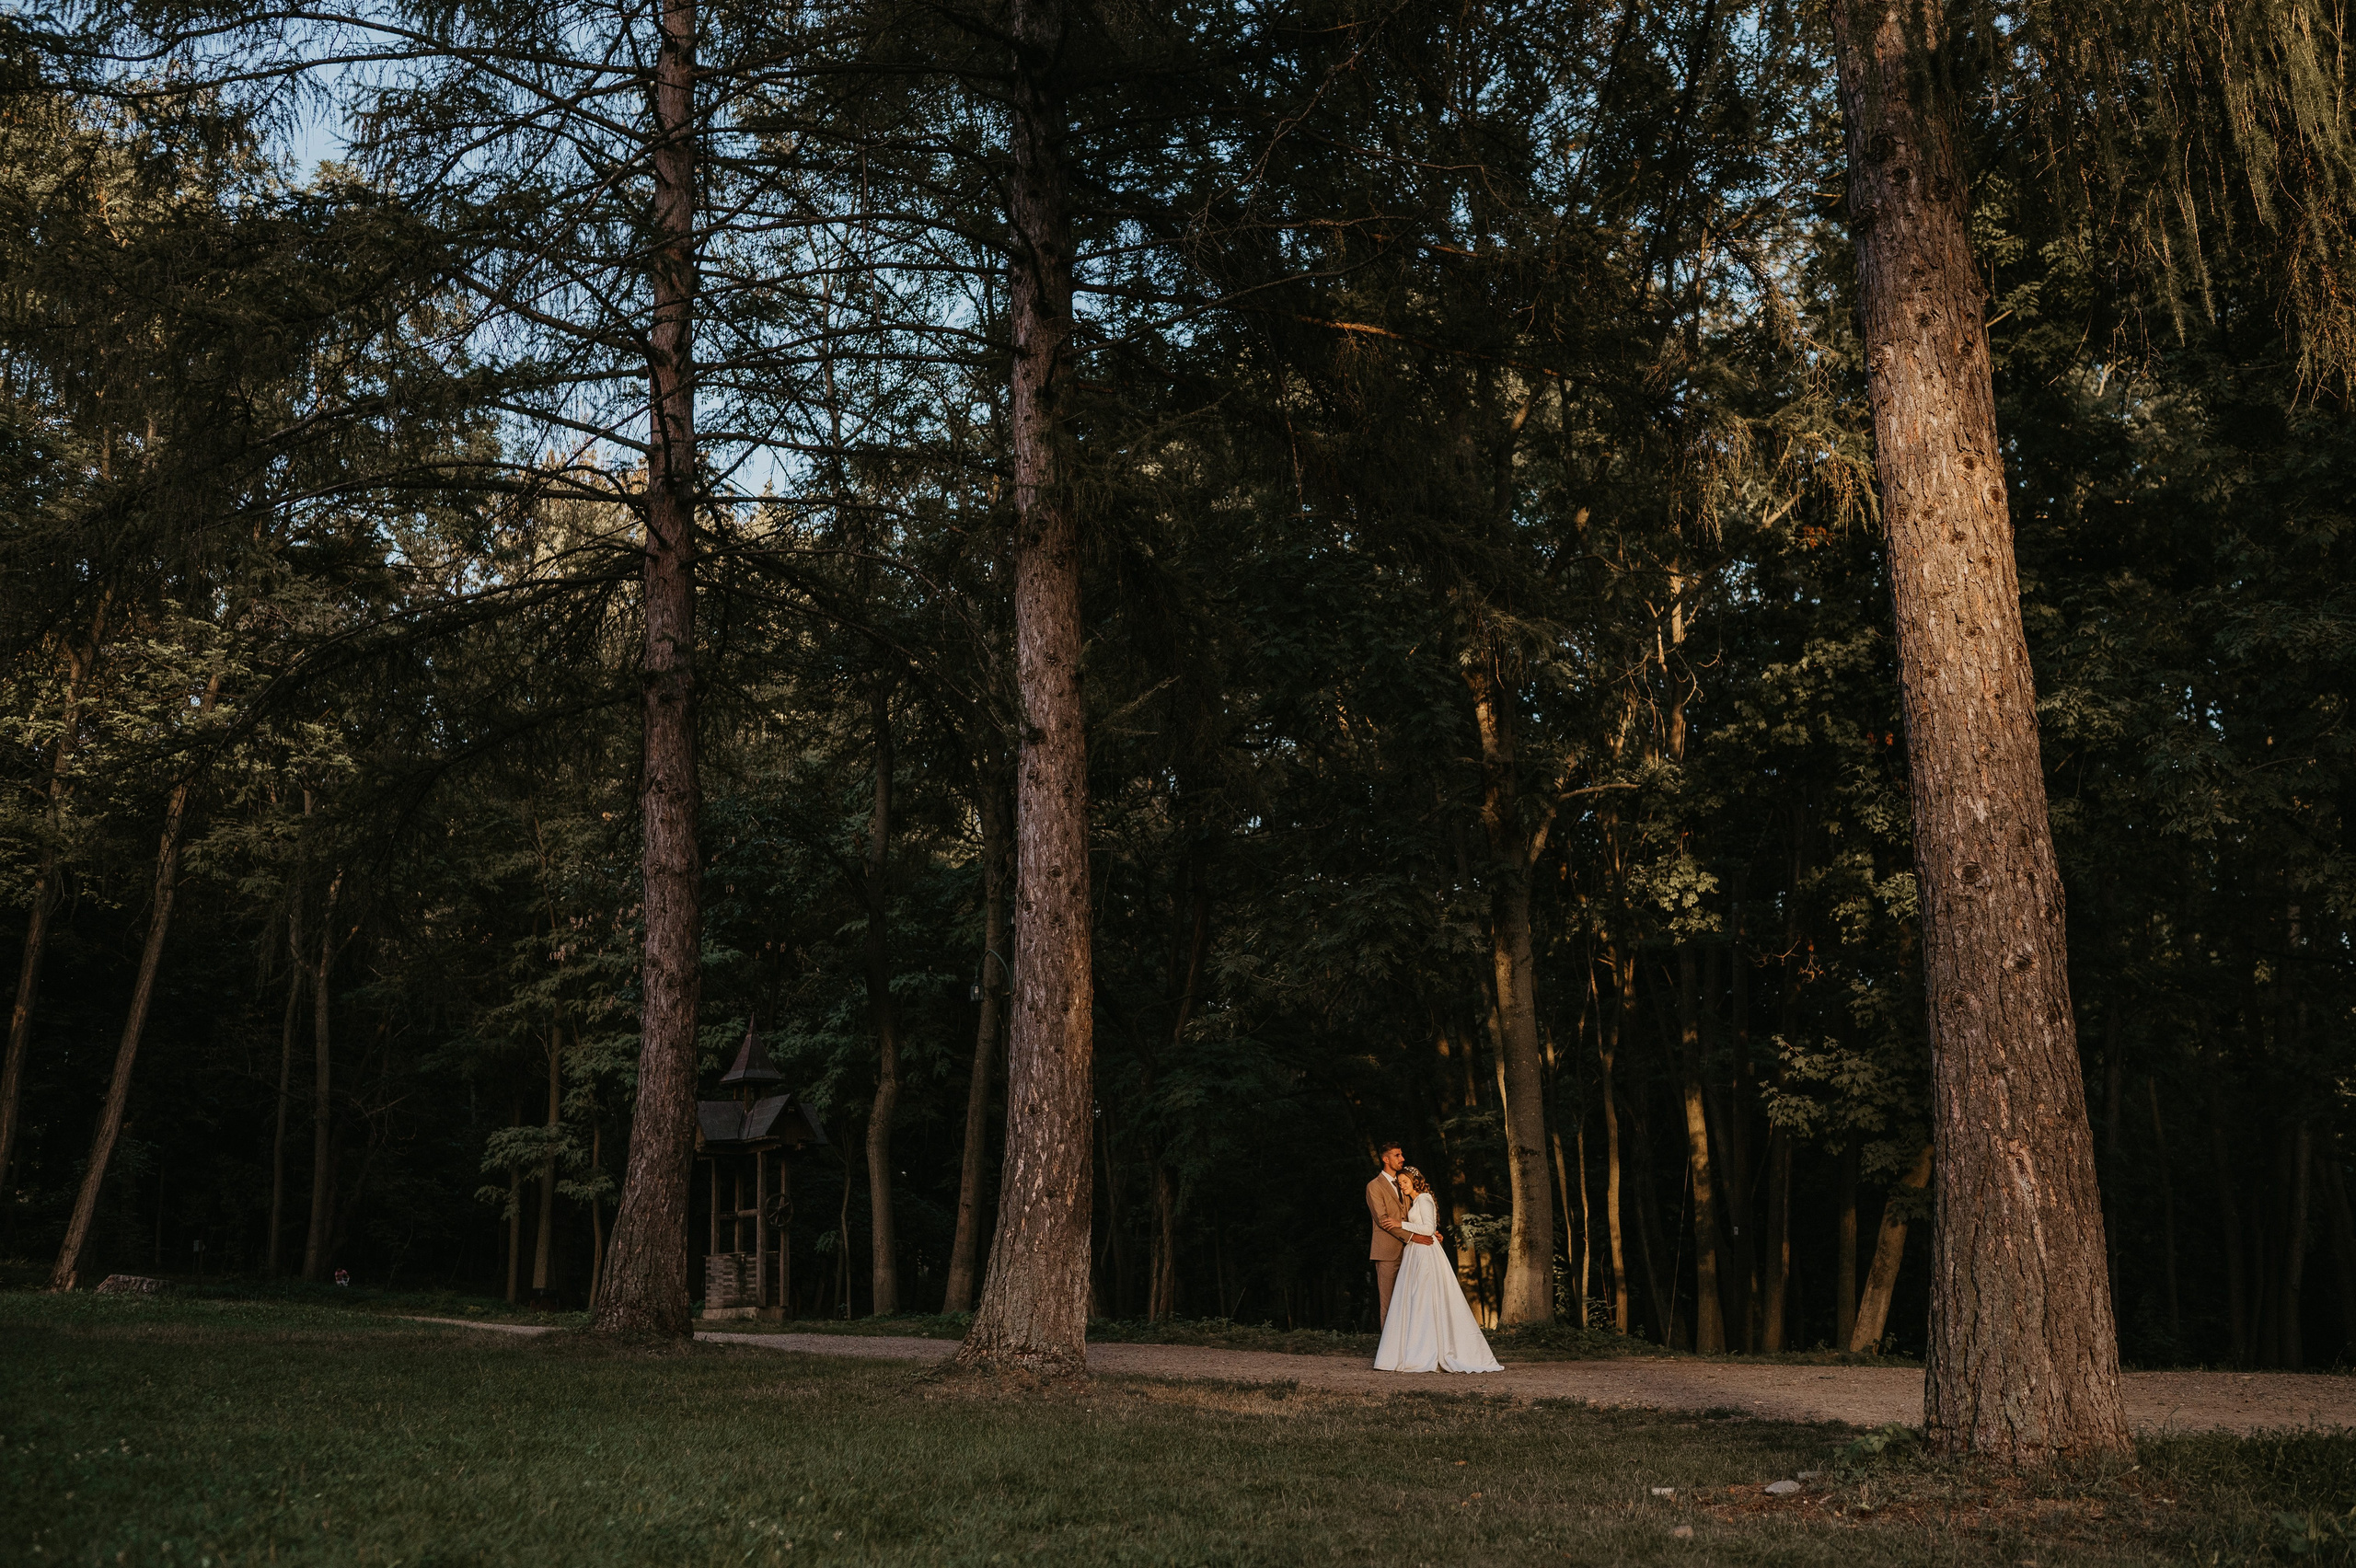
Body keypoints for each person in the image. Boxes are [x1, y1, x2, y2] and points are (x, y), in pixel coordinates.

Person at [1373, 1166, 1502, 1374]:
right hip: (1415, 1252)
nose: (1402, 1185)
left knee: (1424, 1298)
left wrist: (1400, 1224)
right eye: (1400, 1183)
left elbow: (1428, 1229)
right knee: (1415, 1299)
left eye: (1405, 1181)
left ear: (1415, 1181)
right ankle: (1414, 1349)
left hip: (1425, 1253)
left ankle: (1427, 1350)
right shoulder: (1415, 1201)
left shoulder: (1424, 1199)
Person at [1365, 1141, 1412, 1326]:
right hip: (1387, 1253)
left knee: (1409, 1300)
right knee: (1389, 1302)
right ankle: (1389, 1343)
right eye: (1397, 1155)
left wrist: (1430, 1233)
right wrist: (1413, 1236)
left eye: (1402, 1154)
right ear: (1386, 1159)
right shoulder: (1374, 1186)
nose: (1402, 1158)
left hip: (1411, 1251)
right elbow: (1383, 1220)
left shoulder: (1404, 1183)